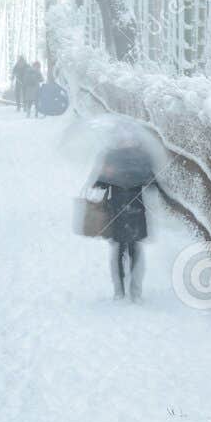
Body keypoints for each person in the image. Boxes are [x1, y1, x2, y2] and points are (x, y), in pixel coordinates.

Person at [89, 117, 156, 301]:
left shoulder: (115, 156)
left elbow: (151, 182)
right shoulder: (138, 156)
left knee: (131, 249)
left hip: (126, 208)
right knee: (122, 249)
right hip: (127, 208)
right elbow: (100, 184)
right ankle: (122, 291)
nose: (126, 141)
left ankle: (132, 291)